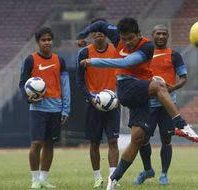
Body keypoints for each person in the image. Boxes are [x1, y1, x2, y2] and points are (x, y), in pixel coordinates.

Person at [76, 17, 198, 190]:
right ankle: (182, 124)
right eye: (124, 39)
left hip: (141, 93)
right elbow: (98, 25)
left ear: (139, 34)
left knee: (138, 138)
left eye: (130, 39)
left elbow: (126, 62)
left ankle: (114, 178)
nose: (127, 43)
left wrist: (94, 61)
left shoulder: (147, 46)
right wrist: (82, 35)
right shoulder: (115, 34)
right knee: (159, 84)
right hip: (126, 87)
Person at [133, 24, 189, 186]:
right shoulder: (144, 54)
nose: (161, 36)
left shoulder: (174, 55)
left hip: (167, 104)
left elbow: (184, 78)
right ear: (153, 35)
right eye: (158, 33)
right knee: (142, 138)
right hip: (148, 104)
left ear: (168, 36)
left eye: (164, 34)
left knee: (166, 139)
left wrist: (173, 87)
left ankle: (164, 174)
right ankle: (148, 170)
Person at [19, 27, 71, 189]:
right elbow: (22, 83)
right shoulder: (30, 60)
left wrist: (66, 109)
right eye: (43, 40)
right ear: (38, 42)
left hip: (56, 109)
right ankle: (34, 179)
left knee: (49, 144)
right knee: (36, 143)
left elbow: (65, 85)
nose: (47, 42)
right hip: (38, 109)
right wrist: (27, 97)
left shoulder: (59, 60)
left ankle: (43, 179)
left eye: (49, 39)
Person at [76, 17, 120, 189]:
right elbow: (79, 81)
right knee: (94, 142)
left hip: (113, 102)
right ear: (92, 33)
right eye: (95, 30)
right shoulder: (84, 53)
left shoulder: (116, 50)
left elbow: (123, 75)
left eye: (102, 29)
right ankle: (97, 178)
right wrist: (90, 97)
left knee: (113, 142)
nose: (99, 32)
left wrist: (119, 97)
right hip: (93, 103)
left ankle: (112, 178)